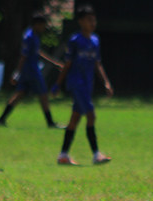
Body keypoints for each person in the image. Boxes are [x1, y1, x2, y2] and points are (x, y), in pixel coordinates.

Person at [51, 5, 114, 166]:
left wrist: (105, 82)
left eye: (94, 19)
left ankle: (63, 155)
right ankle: (96, 154)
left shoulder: (95, 40)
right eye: (88, 20)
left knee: (75, 119)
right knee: (91, 115)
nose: (92, 22)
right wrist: (58, 83)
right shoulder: (75, 41)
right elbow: (67, 63)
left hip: (87, 84)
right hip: (76, 83)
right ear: (80, 22)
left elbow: (97, 63)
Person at [0, 14, 63, 129]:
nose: (43, 28)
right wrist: (17, 73)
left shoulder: (33, 36)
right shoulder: (29, 37)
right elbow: (23, 56)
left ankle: (1, 119)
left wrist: (54, 63)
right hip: (31, 70)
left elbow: (38, 52)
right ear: (37, 25)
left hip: (28, 70)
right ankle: (50, 122)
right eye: (42, 26)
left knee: (19, 94)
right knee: (43, 95)